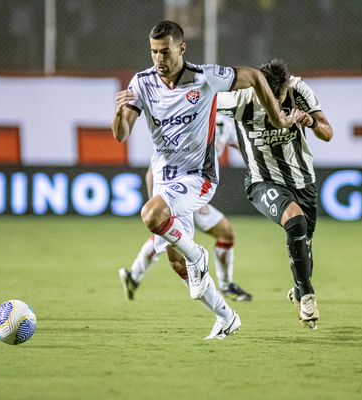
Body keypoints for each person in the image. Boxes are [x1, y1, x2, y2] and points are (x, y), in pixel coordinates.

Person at [112, 21, 296, 339]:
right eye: (154, 51)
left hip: (198, 177)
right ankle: (227, 318)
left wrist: (277, 116)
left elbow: (253, 76)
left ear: (181, 49)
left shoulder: (206, 77)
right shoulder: (141, 83)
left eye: (165, 51)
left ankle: (198, 254)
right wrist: (118, 113)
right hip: (163, 177)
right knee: (176, 263)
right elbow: (121, 134)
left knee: (152, 216)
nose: (159, 58)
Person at [217, 59, 333, 329]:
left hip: (302, 180)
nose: (276, 106)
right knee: (296, 222)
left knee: (304, 243)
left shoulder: (299, 91)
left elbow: (328, 133)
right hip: (262, 180)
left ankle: (298, 290)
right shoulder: (238, 100)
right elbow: (199, 99)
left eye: (280, 99)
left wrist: (311, 121)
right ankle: (307, 296)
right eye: (270, 98)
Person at [119, 114, 253, 303]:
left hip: (196, 195)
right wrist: (157, 207)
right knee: (174, 247)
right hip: (181, 194)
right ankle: (220, 297)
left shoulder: (224, 121)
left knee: (218, 234)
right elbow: (153, 171)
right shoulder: (187, 116)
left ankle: (134, 275)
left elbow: (245, 150)